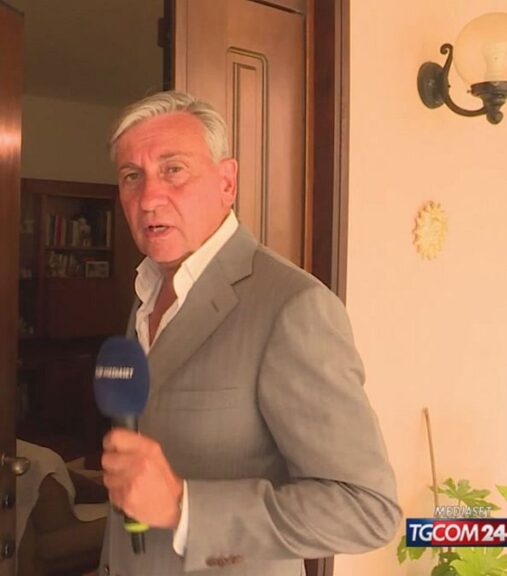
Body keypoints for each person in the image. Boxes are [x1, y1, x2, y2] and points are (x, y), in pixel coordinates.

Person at [97, 91, 400, 575]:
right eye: (132, 176)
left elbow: (366, 510)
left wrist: (184, 508)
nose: (149, 197)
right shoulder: (146, 290)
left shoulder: (293, 307)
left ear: (227, 182)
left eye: (173, 169)